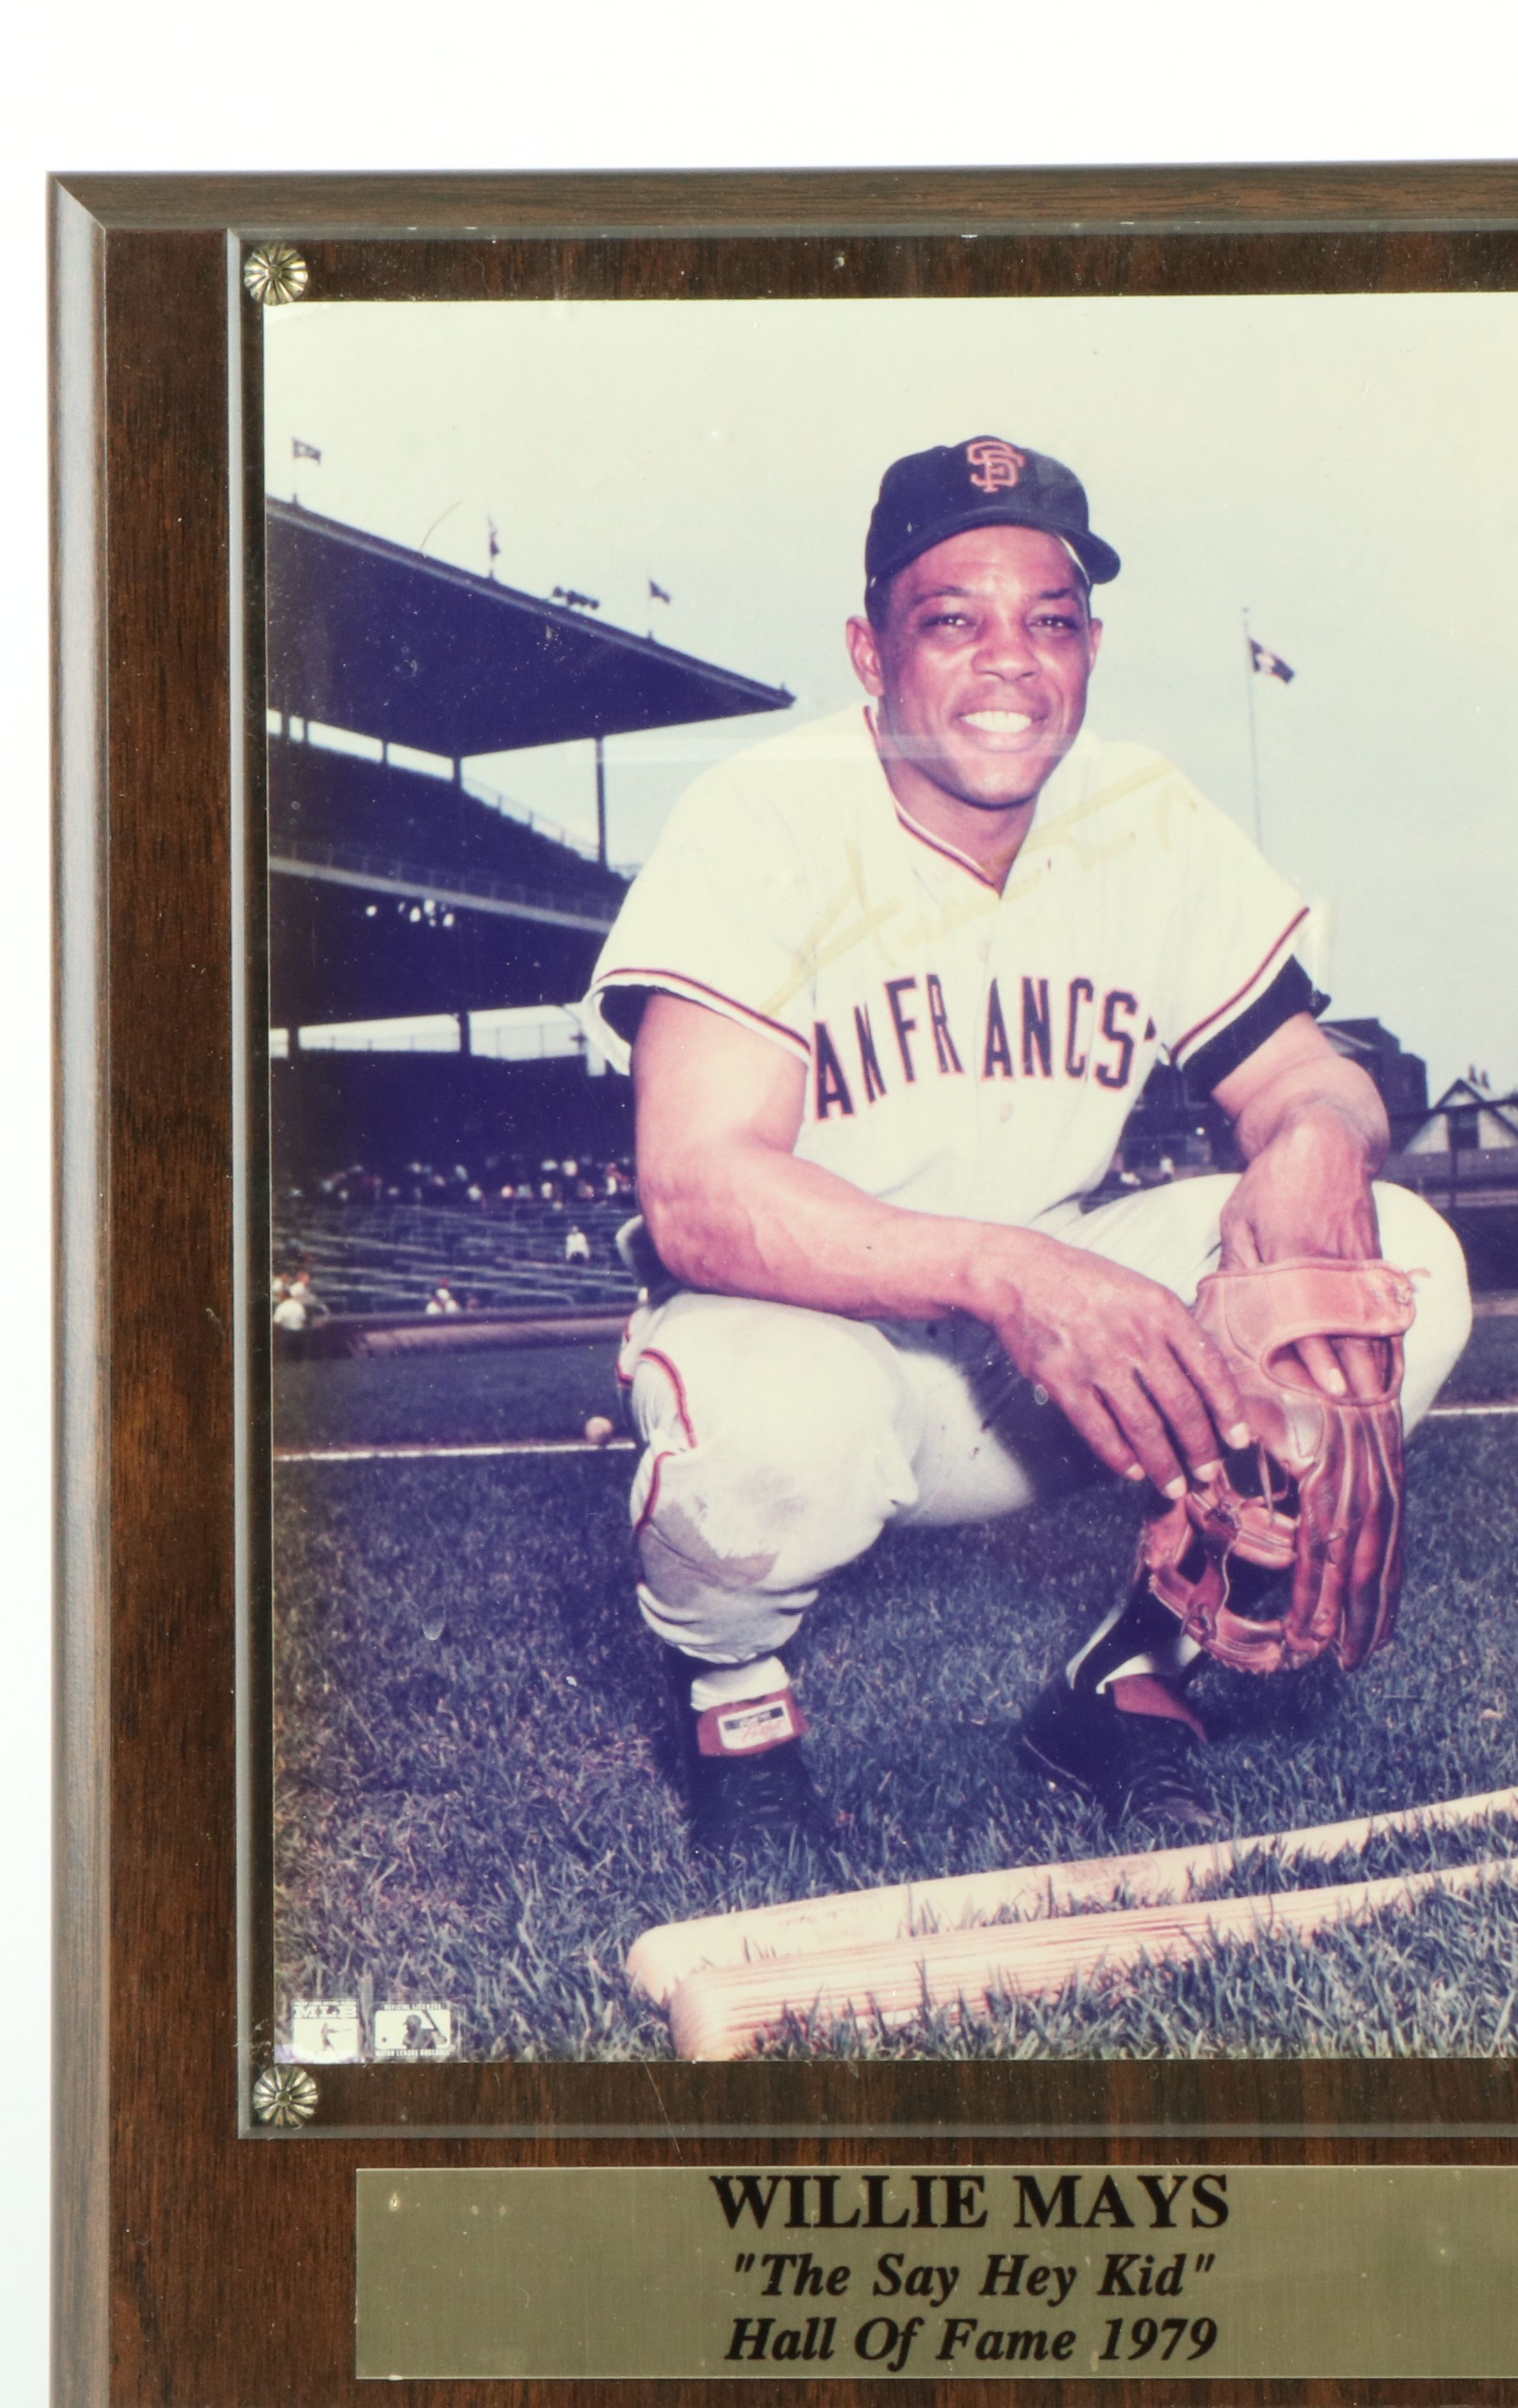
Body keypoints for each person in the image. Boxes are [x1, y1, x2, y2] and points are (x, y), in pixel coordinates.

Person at [583, 435, 1470, 1850]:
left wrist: (1315, 1132)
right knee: (768, 1444)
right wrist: (1009, 1274)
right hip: (818, 1336)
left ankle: (1128, 1674)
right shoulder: (757, 818)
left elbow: (1314, 1069)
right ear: (869, 651)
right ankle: (732, 1694)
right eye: (953, 620)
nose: (1008, 660)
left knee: (1394, 1261)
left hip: (1070, 1363)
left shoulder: (1143, 817)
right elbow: (695, 1190)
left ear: (1091, 648)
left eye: (1046, 621)